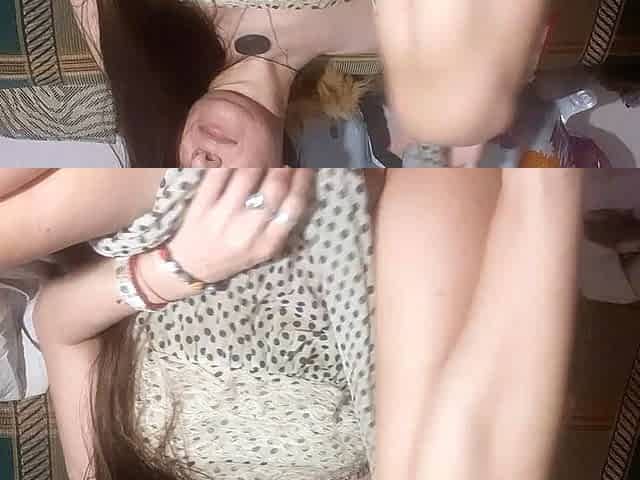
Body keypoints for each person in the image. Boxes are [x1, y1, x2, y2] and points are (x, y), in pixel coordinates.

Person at [68, 0, 549, 167]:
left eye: (183, 173)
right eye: (221, 187)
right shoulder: (373, 38)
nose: (203, 163)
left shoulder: (137, 39)